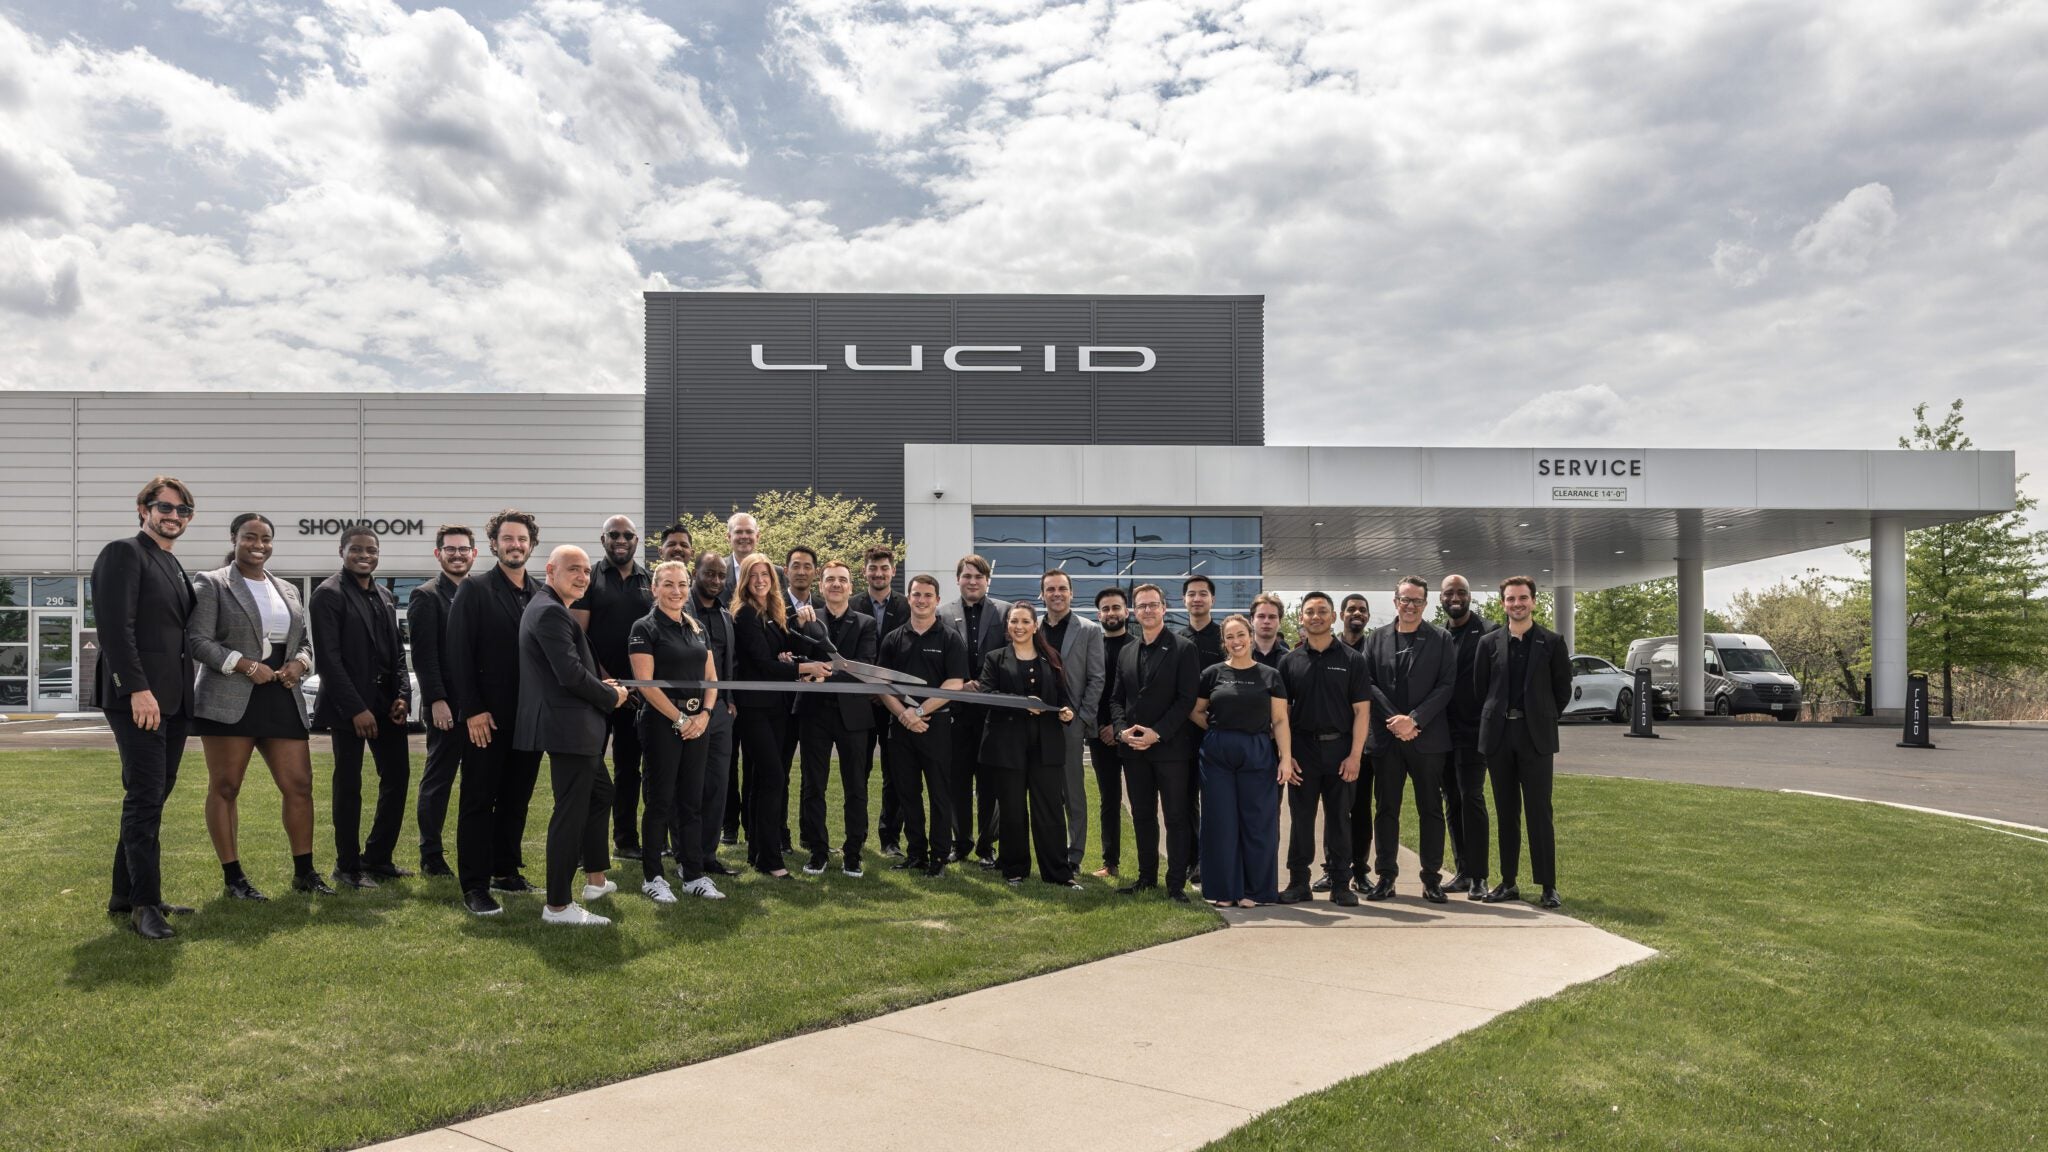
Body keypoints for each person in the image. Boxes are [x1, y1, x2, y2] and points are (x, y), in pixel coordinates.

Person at [187, 513, 325, 901]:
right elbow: (198, 640)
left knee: (299, 785)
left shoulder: (289, 589)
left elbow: (304, 642)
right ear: (234, 539)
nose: (258, 544)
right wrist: (245, 665)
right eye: (250, 537)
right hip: (230, 696)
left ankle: (305, 873)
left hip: (281, 695)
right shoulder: (212, 583)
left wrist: (300, 663)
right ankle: (234, 879)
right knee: (227, 786)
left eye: (265, 538)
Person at [95, 476, 201, 939]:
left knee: (154, 795)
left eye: (182, 511)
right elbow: (117, 629)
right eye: (164, 507)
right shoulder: (124, 553)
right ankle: (144, 905)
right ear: (143, 508)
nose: (173, 516)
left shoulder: (173, 565)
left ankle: (127, 894)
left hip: (173, 700)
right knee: (143, 798)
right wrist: (137, 689)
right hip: (140, 699)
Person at [517, 545, 629, 926]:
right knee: (570, 812)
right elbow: (569, 675)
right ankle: (559, 906)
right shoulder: (549, 611)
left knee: (601, 794)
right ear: (550, 570)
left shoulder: (551, 607)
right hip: (569, 729)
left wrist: (602, 683)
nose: (582, 576)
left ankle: (595, 881)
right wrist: (611, 695)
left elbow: (569, 668)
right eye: (573, 569)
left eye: (585, 570)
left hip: (576, 728)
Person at [445, 509, 545, 916]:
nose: (515, 545)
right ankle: (474, 884)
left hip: (530, 718)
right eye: (508, 539)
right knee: (478, 799)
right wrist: (473, 710)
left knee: (516, 798)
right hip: (486, 718)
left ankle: (506, 869)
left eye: (522, 539)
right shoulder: (475, 589)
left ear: (532, 545)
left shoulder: (542, 594)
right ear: (493, 544)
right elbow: (458, 655)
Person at [309, 526, 412, 889]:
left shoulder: (384, 594)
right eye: (356, 549)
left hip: (388, 707)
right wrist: (356, 709)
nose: (364, 554)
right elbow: (329, 662)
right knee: (349, 785)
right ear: (342, 551)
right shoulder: (327, 594)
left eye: (371, 549)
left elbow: (398, 654)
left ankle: (378, 858)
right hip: (347, 709)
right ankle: (348, 866)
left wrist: (403, 696)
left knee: (397, 779)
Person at [1473, 576, 1572, 909]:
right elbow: (1480, 691)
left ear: (1533, 601)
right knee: (1506, 812)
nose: (1517, 604)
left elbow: (1562, 690)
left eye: (1523, 598)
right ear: (1503, 603)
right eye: (1511, 599)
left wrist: (1541, 717)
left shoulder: (1552, 642)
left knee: (1539, 812)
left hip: (1536, 739)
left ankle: (1548, 886)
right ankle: (1508, 882)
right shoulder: (1487, 644)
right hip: (1499, 737)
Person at [628, 560, 723, 903]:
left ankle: (693, 873)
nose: (676, 591)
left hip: (698, 724)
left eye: (682, 584)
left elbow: (712, 679)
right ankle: (653, 876)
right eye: (668, 584)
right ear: (654, 589)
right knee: (660, 800)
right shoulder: (644, 627)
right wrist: (680, 720)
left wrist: (705, 716)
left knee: (691, 801)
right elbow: (646, 685)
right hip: (661, 724)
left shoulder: (697, 627)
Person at [731, 553, 830, 878]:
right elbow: (761, 663)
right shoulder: (745, 613)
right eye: (754, 575)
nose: (760, 580)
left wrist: (791, 650)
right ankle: (771, 858)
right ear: (745, 579)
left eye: (765, 575)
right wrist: (804, 667)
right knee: (772, 778)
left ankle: (758, 853)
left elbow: (779, 653)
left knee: (763, 780)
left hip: (777, 707)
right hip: (755, 708)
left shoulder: (772, 613)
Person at [1360, 575, 1457, 903]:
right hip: (1388, 741)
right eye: (1405, 599)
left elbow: (1446, 685)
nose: (1410, 605)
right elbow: (1369, 683)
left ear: (1426, 604)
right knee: (1386, 808)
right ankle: (1386, 876)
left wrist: (1414, 720)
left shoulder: (1441, 639)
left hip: (1427, 739)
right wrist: (1396, 721)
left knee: (1431, 808)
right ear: (1395, 601)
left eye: (1417, 601)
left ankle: (1431, 878)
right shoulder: (1375, 639)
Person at [974, 602, 1080, 887]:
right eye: (1013, 622)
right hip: (1006, 746)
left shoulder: (1051, 657)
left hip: (1046, 745)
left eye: (1024, 621)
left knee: (1050, 809)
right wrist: (1023, 705)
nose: (1018, 626)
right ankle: (1014, 869)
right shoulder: (995, 658)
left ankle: (1058, 873)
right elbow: (988, 695)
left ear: (1035, 626)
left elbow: (1063, 696)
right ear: (1008, 627)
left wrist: (1067, 712)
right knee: (1012, 809)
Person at [1275, 593, 1369, 906]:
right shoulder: (1289, 662)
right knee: (1301, 818)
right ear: (1301, 618)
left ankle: (1341, 884)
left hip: (1341, 750)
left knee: (1340, 819)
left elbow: (1362, 712)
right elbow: (1282, 716)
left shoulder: (1353, 660)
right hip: (1302, 752)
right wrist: (1286, 757)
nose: (1316, 616)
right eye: (1310, 612)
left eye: (1323, 611)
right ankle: (1298, 882)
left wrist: (1355, 755)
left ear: (1333, 618)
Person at [1191, 615, 1290, 907]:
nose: (1236, 641)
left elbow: (1281, 720)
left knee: (1257, 821)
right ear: (1224, 642)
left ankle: (1255, 891)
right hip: (1218, 752)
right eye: (1230, 637)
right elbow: (1196, 711)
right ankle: (1223, 889)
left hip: (1258, 749)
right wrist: (1216, 729)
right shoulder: (1212, 674)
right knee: (1220, 821)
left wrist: (1285, 759)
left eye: (1240, 635)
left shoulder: (1270, 675)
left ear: (1250, 635)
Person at [1111, 583, 1200, 903]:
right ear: (1134, 611)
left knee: (1176, 817)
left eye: (1153, 605)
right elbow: (1117, 698)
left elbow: (1186, 699)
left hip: (1170, 749)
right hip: (1134, 750)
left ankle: (1176, 883)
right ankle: (1146, 877)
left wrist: (1157, 733)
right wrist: (1122, 730)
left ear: (1164, 608)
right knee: (1142, 814)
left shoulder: (1183, 648)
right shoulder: (1127, 651)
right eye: (1142, 606)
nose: (1147, 610)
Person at [876, 573, 967, 877]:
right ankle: (915, 853)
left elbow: (954, 683)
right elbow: (882, 684)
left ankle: (939, 857)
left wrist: (919, 711)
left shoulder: (950, 637)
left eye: (928, 595)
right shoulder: (893, 638)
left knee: (940, 793)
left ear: (937, 600)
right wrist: (904, 714)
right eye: (916, 594)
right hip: (900, 727)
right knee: (907, 793)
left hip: (936, 726)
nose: (922, 600)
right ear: (909, 598)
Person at [798, 560, 878, 877]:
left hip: (853, 714)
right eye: (829, 579)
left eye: (841, 580)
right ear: (821, 586)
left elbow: (863, 667)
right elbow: (800, 660)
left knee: (855, 786)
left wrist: (821, 676)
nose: (835, 584)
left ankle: (853, 852)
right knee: (812, 785)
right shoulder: (806, 619)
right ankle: (817, 851)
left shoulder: (866, 624)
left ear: (850, 586)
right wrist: (812, 671)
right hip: (814, 713)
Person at [580, 515, 652, 862]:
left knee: (628, 770)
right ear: (603, 539)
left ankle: (625, 840)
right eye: (613, 535)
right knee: (589, 768)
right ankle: (584, 844)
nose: (620, 540)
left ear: (636, 541)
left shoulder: (648, 581)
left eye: (627, 535)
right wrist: (606, 680)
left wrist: (636, 685)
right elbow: (579, 637)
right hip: (597, 690)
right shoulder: (590, 578)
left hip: (637, 695)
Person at [408, 523, 474, 877]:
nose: (458, 554)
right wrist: (436, 699)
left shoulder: (479, 592)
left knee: (478, 783)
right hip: (446, 707)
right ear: (439, 554)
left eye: (464, 549)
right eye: (451, 549)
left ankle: (475, 850)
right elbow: (424, 654)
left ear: (474, 554)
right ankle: (430, 854)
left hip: (480, 708)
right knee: (439, 780)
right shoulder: (426, 595)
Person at [938, 554, 1011, 866]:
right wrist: (960, 684)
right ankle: (960, 842)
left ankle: (986, 846)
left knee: (990, 783)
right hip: (955, 711)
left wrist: (984, 684)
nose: (972, 581)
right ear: (958, 580)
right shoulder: (942, 614)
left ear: (987, 581)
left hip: (992, 712)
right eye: (966, 576)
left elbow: (1011, 657)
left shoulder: (1006, 612)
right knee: (957, 780)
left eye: (978, 577)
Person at [1039, 570, 1105, 877]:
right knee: (1040, 791)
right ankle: (1044, 852)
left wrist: (1083, 720)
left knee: (1073, 793)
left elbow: (1097, 678)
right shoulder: (1032, 627)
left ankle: (1074, 854)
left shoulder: (1089, 630)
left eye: (1062, 589)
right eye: (1050, 589)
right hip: (1037, 722)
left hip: (1070, 723)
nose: (1056, 593)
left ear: (1071, 593)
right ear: (1042, 594)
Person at [1438, 574, 1496, 895]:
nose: (1455, 597)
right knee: (1452, 800)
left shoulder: (1488, 633)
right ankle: (1462, 870)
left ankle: (1479, 876)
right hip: (1442, 735)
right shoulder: (1438, 636)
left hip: (1475, 734)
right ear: (1442, 599)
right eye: (1449, 593)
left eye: (1461, 592)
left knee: (1471, 797)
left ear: (1469, 597)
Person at [688, 552, 741, 878]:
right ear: (696, 572)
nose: (716, 581)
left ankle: (707, 855)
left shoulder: (724, 615)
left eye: (722, 576)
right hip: (688, 709)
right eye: (710, 574)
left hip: (720, 711)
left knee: (717, 785)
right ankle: (685, 855)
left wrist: (730, 699)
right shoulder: (679, 611)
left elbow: (728, 663)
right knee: (689, 786)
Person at [858, 546, 911, 857]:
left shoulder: (906, 606)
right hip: (861, 703)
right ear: (864, 571)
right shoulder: (853, 604)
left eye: (884, 568)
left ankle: (890, 838)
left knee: (896, 773)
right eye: (873, 568)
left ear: (893, 571)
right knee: (858, 771)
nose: (878, 573)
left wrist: (887, 690)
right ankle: (858, 835)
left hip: (895, 703)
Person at [1178, 574, 1223, 885]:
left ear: (1212, 600)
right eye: (1192, 594)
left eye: (1203, 594)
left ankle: (1213, 859)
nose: (1197, 599)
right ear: (1184, 601)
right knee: (1185, 801)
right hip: (1182, 735)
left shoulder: (1224, 638)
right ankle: (1192, 860)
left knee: (1215, 801)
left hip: (1216, 731)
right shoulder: (1176, 640)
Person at [1088, 586, 1133, 879]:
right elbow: (1090, 688)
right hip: (1098, 734)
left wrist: (1118, 727)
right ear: (1098, 614)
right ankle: (1110, 863)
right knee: (1109, 799)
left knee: (1143, 802)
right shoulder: (1093, 647)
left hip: (1131, 733)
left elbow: (1138, 693)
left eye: (1116, 607)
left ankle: (1148, 864)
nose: (1111, 613)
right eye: (1105, 609)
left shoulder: (1138, 646)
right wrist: (1102, 726)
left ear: (1126, 611)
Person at [1333, 592, 1374, 893]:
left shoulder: (1374, 650)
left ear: (1368, 617)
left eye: (1361, 610)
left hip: (1365, 745)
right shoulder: (1327, 648)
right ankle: (1332, 869)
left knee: (1360, 809)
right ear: (1341, 614)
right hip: (1332, 743)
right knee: (1334, 810)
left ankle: (1360, 870)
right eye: (1350, 609)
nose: (1356, 614)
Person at [1249, 592, 1291, 668]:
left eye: (1272, 617)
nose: (1266, 621)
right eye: (1261, 616)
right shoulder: (1240, 656)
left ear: (1280, 622)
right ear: (1252, 620)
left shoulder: (1290, 660)